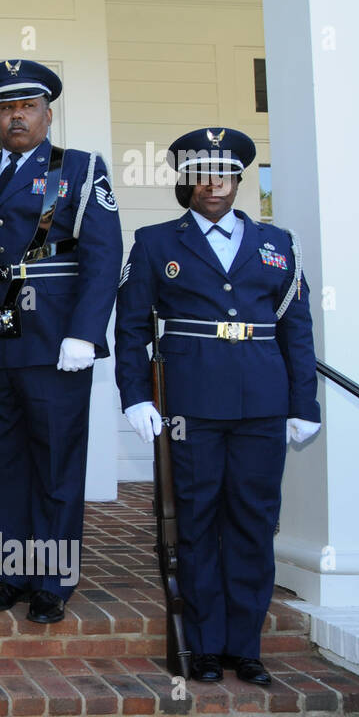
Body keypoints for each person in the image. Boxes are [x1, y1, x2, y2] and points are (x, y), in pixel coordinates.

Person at [115, 127, 319, 686]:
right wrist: (134, 395)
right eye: (202, 173)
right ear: (187, 180)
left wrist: (304, 402)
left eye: (224, 173)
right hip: (191, 405)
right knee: (199, 520)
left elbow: (295, 330)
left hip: (263, 403)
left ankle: (244, 646)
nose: (214, 184)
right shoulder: (156, 242)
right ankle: (204, 645)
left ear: (238, 180)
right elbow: (131, 326)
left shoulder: (279, 244)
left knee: (253, 521)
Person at [0, 59, 123, 624]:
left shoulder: (78, 169)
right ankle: (12, 574)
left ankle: (54, 581)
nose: (15, 116)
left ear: (47, 114)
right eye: (6, 107)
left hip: (57, 343)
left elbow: (104, 255)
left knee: (56, 462)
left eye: (27, 106)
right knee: (3, 462)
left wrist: (85, 333)